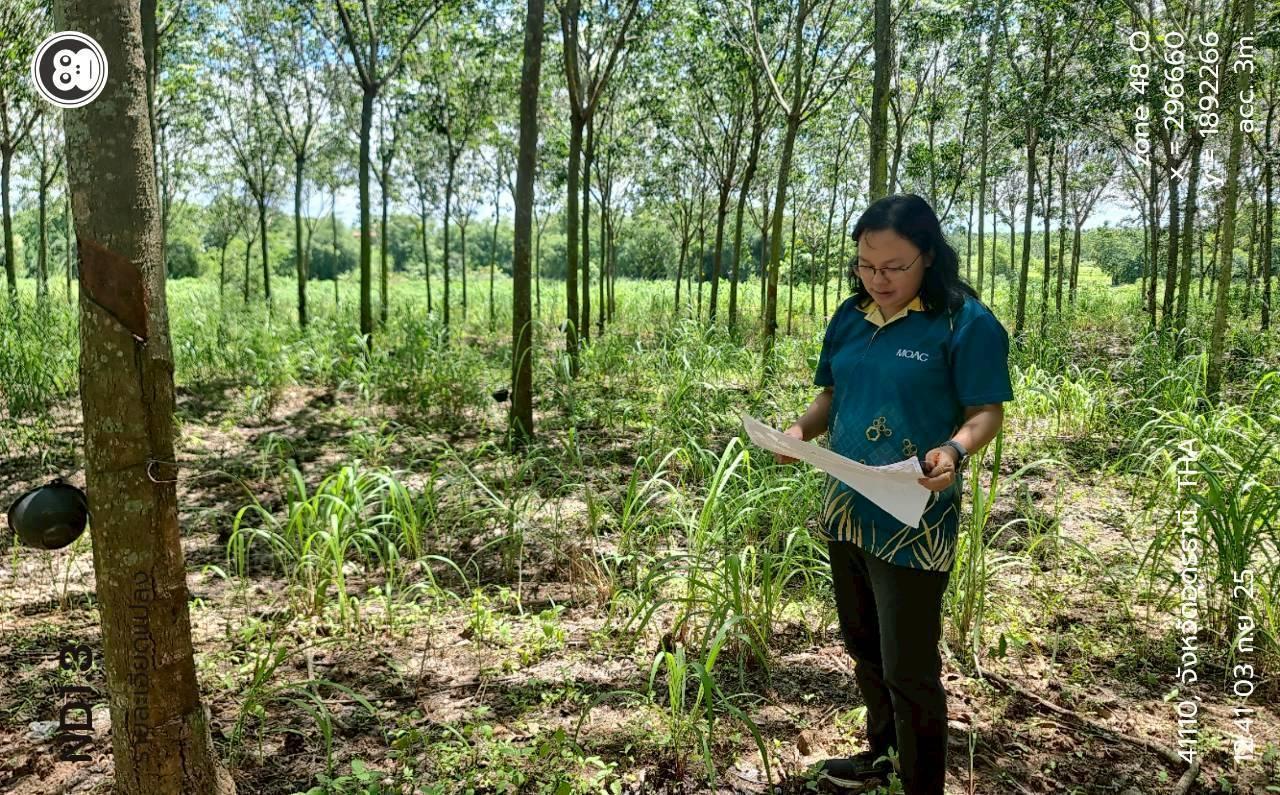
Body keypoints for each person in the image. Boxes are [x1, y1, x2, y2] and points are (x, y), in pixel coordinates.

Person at [776, 193, 1013, 794]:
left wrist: (954, 451)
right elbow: (832, 394)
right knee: (862, 644)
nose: (877, 279)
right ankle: (880, 755)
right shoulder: (850, 316)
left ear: (928, 258)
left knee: (909, 665)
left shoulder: (967, 322)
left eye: (893, 267)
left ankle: (920, 782)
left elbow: (985, 411)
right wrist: (800, 430)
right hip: (847, 507)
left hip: (914, 518)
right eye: (865, 265)